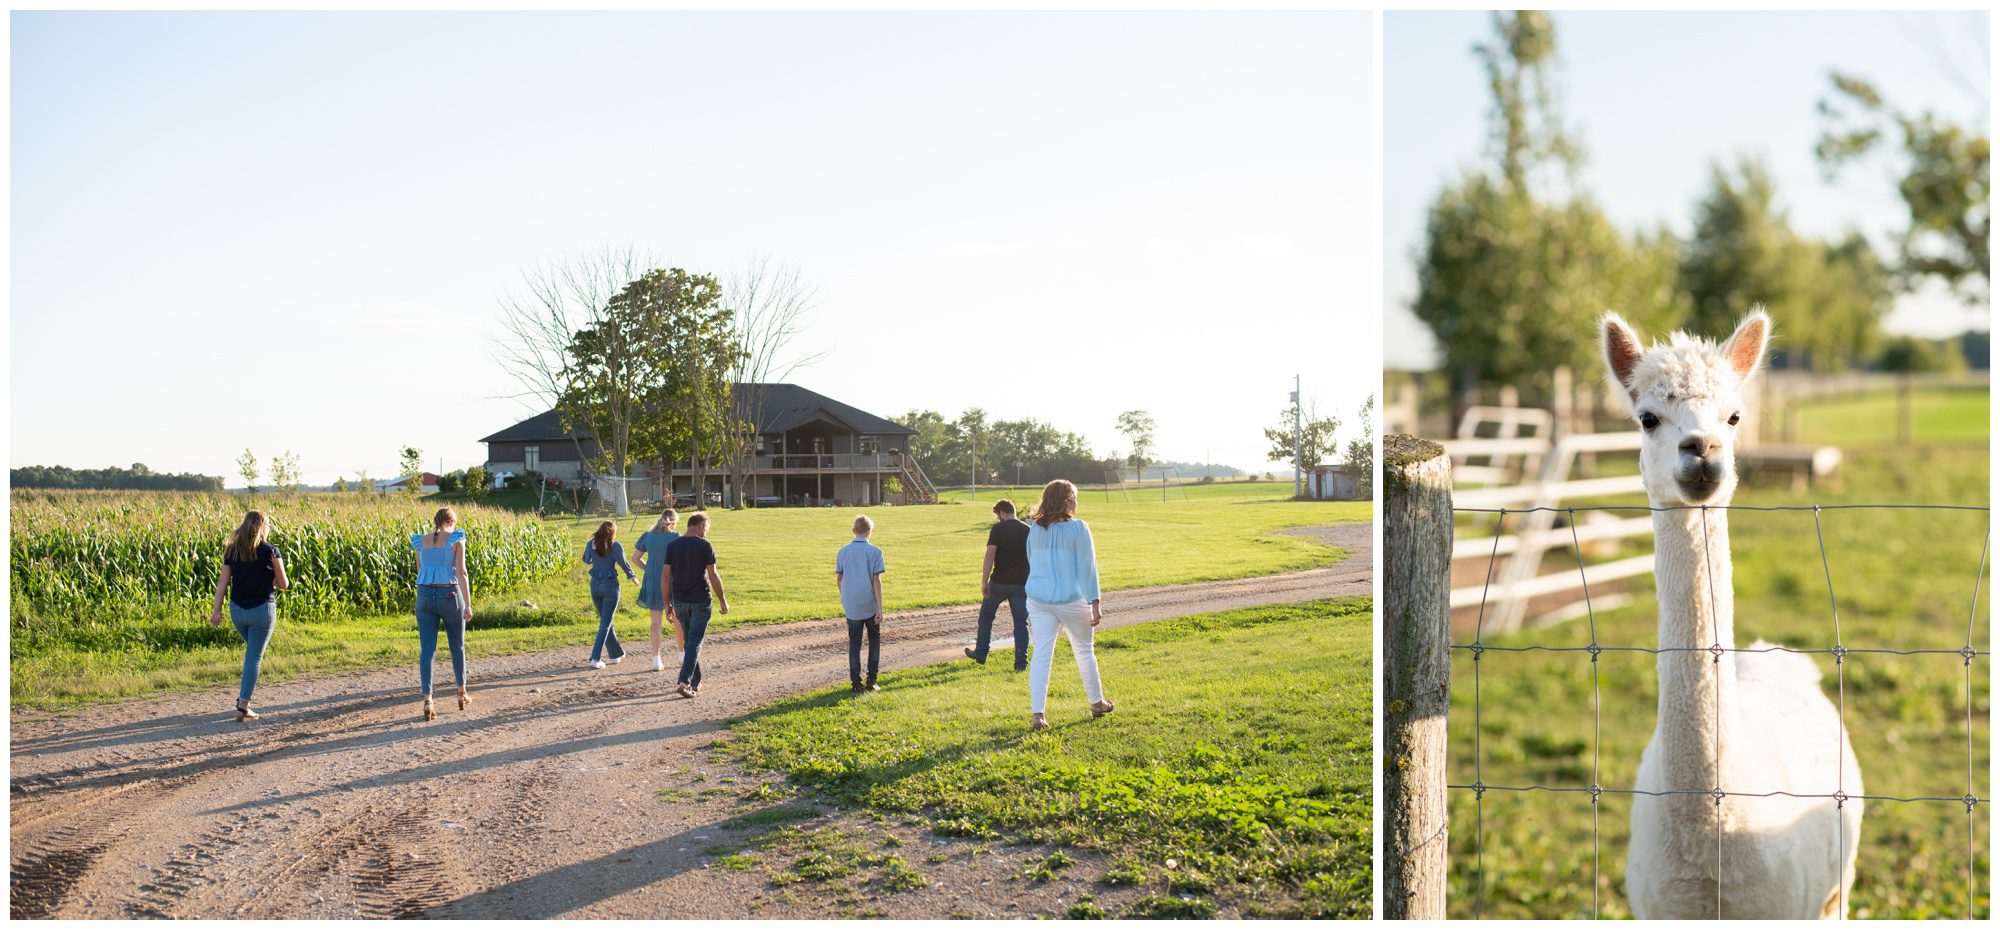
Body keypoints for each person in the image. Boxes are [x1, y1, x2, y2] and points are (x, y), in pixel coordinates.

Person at [1022, 479, 1113, 730]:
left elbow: (1032, 562)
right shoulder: (1079, 529)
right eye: (1074, 497)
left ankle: (1038, 714)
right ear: (1067, 501)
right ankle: (1097, 703)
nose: (1076, 501)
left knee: (1041, 654)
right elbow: (1088, 568)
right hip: (1071, 600)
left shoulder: (1035, 529)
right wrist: (1095, 601)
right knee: (1084, 651)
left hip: (1039, 600)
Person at [206, 510, 289, 721]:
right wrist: (271, 576)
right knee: (253, 658)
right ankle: (243, 706)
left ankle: (243, 700)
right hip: (262, 610)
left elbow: (222, 583)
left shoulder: (232, 551)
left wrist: (217, 611)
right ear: (262, 527)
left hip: (238, 612)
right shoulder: (271, 551)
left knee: (252, 655)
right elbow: (283, 584)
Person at [411, 507, 473, 721]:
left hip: (425, 595)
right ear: (451, 522)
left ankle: (428, 699)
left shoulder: (420, 541)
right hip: (449, 594)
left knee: (427, 650)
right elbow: (462, 572)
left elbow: (420, 571)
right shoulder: (457, 539)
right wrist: (468, 605)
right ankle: (461, 692)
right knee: (457, 646)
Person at [664, 512, 729, 697]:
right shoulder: (704, 545)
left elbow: (665, 577)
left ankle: (695, 681)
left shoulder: (673, 546)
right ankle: (684, 681)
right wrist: (723, 601)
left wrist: (667, 605)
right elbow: (713, 575)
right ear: (700, 526)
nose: (706, 533)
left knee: (690, 641)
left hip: (680, 602)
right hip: (701, 600)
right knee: (694, 641)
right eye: (706, 529)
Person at [965, 498, 1030, 671]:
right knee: (1021, 623)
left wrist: (984, 581)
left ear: (1002, 513)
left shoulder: (998, 529)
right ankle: (1021, 664)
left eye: (997, 515)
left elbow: (989, 556)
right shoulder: (1028, 530)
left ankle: (981, 653)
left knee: (986, 616)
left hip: (999, 582)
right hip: (1022, 584)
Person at [835, 514, 887, 692]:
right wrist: (879, 607)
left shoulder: (842, 552)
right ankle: (872, 680)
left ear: (853, 531)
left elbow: (839, 579)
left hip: (852, 604)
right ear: (870, 531)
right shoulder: (875, 552)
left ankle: (855, 683)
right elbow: (876, 581)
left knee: (854, 643)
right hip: (869, 602)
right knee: (874, 639)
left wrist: (846, 597)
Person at [581, 520, 637, 669]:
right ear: (612, 532)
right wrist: (632, 576)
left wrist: (592, 551)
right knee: (605, 624)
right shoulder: (615, 546)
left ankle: (616, 653)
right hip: (610, 587)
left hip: (595, 586)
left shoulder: (591, 544)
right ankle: (595, 658)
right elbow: (623, 563)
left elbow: (587, 560)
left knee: (606, 621)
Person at [632, 510, 682, 673]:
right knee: (677, 619)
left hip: (653, 581)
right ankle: (681, 655)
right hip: (672, 580)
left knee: (655, 622)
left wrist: (649, 569)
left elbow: (635, 558)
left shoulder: (648, 536)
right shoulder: (676, 537)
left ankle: (656, 659)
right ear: (673, 523)